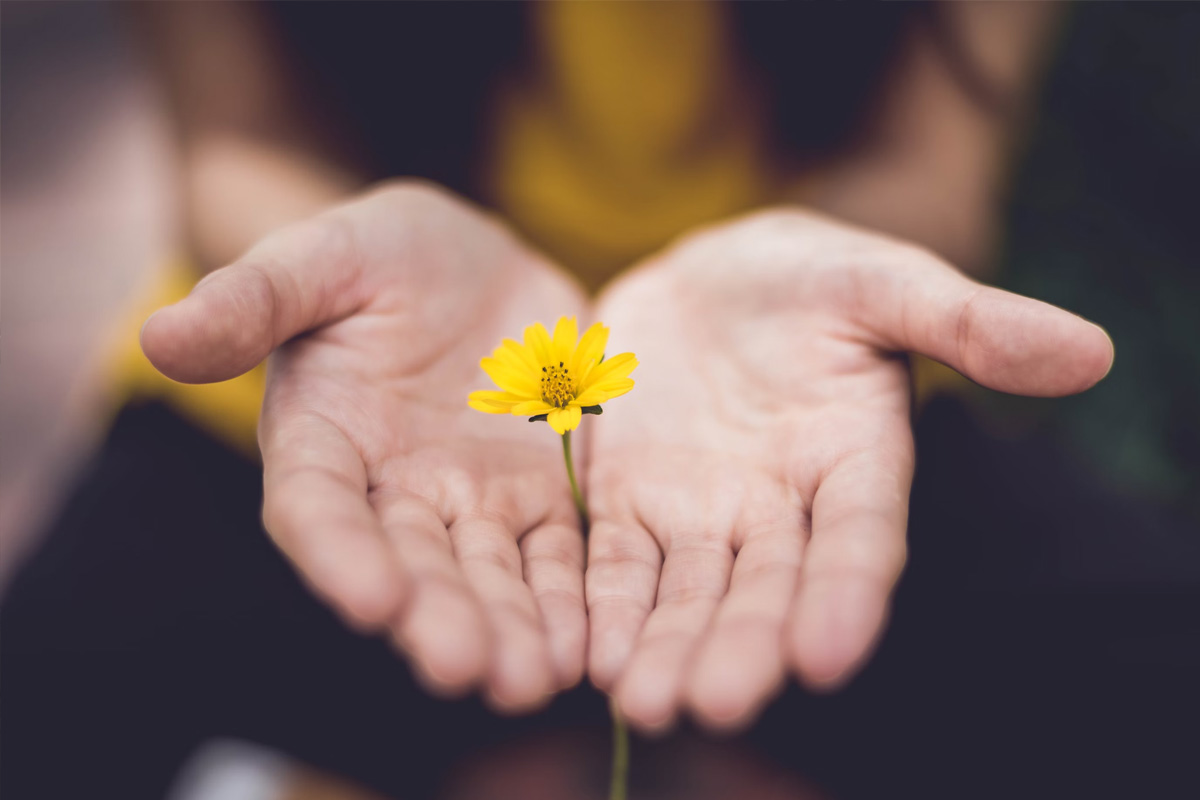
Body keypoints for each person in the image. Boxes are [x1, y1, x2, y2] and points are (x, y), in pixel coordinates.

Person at [4, 3, 1197, 798]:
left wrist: (825, 263)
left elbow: (932, 159)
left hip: (782, 404)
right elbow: (239, 134)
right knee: (46, 693)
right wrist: (323, 260)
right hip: (373, 388)